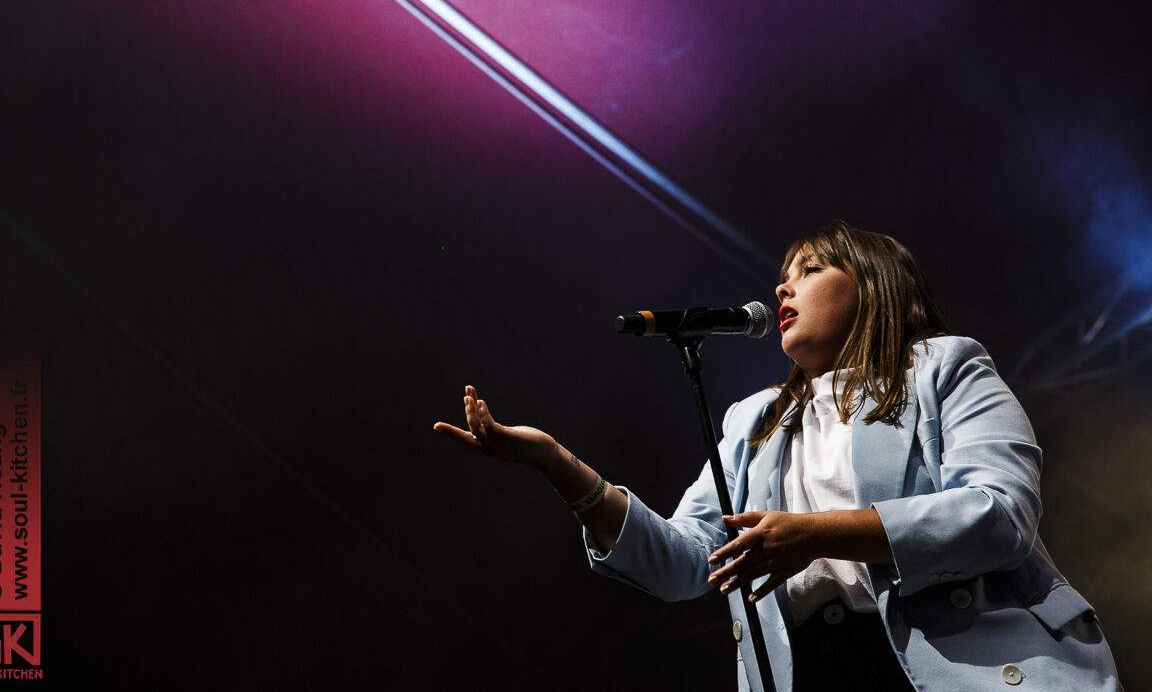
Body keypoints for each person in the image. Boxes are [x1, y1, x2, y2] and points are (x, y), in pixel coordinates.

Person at [433, 222, 1124, 691]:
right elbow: (683, 564)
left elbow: (998, 515)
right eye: (781, 278)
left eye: (810, 270)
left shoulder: (944, 367)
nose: (782, 289)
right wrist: (558, 464)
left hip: (951, 666)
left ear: (875, 286)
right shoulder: (754, 421)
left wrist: (816, 536)